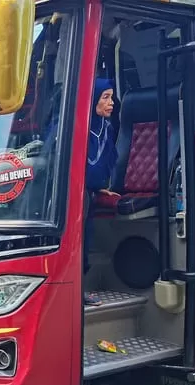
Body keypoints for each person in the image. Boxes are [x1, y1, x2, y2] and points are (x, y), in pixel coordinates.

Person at [83, 78, 119, 307]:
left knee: (86, 238)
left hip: (90, 190)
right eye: (105, 97)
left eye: (111, 97)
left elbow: (105, 162)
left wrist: (99, 186)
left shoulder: (107, 128)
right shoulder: (78, 126)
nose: (111, 103)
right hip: (77, 191)